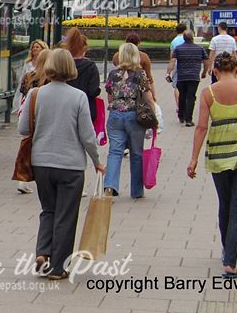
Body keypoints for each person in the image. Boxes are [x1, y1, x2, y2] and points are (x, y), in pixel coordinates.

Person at [19, 48, 105, 280]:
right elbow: (87, 136)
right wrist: (97, 161)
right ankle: (58, 267)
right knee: (66, 215)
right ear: (70, 68)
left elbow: (22, 129)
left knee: (48, 210)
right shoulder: (77, 97)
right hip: (71, 165)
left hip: (41, 163)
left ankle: (43, 251)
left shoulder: (36, 94)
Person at [187, 52, 237, 279]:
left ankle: (226, 249)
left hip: (219, 157)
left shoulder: (208, 93)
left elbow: (201, 128)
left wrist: (193, 160)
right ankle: (230, 260)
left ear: (215, 71)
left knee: (225, 204)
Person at [103, 43, 154, 199]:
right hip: (134, 115)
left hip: (115, 115)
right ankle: (137, 191)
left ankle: (110, 186)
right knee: (136, 153)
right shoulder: (140, 74)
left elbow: (110, 96)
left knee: (115, 152)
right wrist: (154, 118)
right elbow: (148, 97)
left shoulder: (113, 74)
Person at [14, 48, 51, 195]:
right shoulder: (49, 79)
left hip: (29, 114)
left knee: (27, 145)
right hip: (44, 115)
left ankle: (22, 180)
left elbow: (23, 94)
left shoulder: (28, 76)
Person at [166, 30, 209, 126]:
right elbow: (206, 61)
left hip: (181, 77)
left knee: (182, 96)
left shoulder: (178, 49)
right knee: (191, 97)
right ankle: (189, 119)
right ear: (192, 38)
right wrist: (204, 72)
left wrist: (168, 73)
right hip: (194, 77)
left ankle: (181, 116)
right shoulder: (200, 48)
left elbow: (172, 61)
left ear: (184, 38)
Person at [61, 28, 100, 123]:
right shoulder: (90, 66)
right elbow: (93, 91)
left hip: (64, 108)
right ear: (84, 48)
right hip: (85, 108)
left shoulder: (63, 64)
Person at [169, 24, 187, 122]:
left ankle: (178, 105)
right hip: (187, 64)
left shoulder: (174, 41)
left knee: (177, 86)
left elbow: (172, 56)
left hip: (176, 63)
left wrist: (169, 70)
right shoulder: (187, 39)